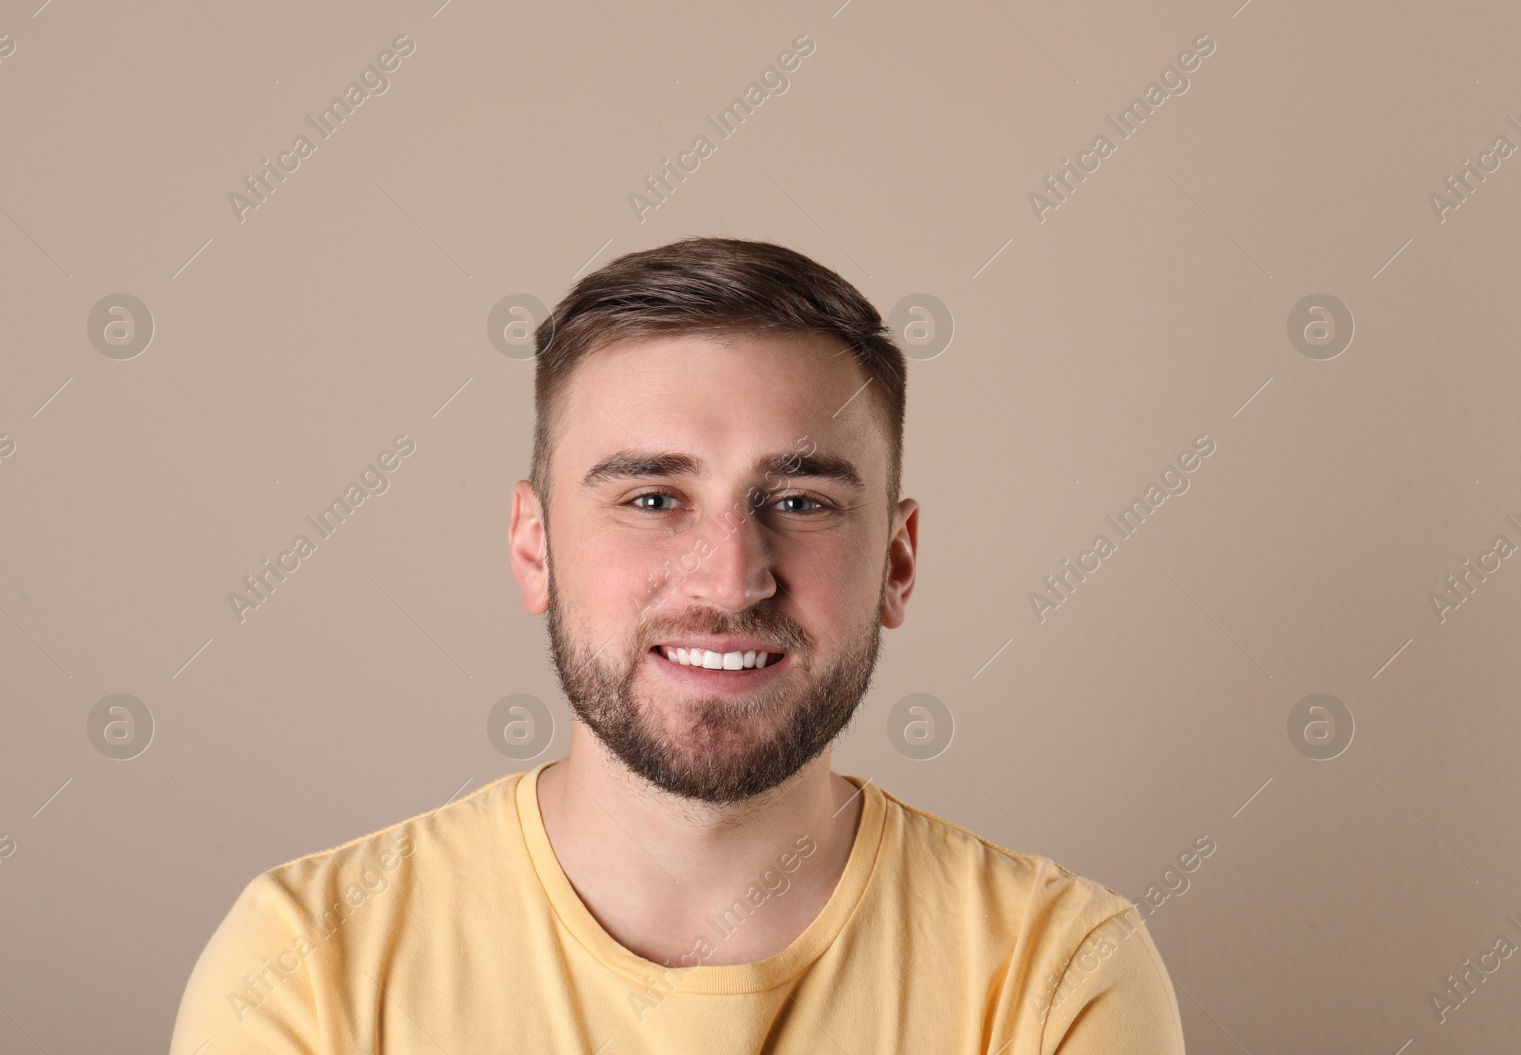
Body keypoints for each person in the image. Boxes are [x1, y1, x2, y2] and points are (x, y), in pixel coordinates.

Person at [168, 237, 1186, 1053]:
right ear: (535, 548)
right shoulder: (311, 963)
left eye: (799, 500)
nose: (731, 576)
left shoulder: (1053, 975)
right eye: (652, 498)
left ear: (898, 561)